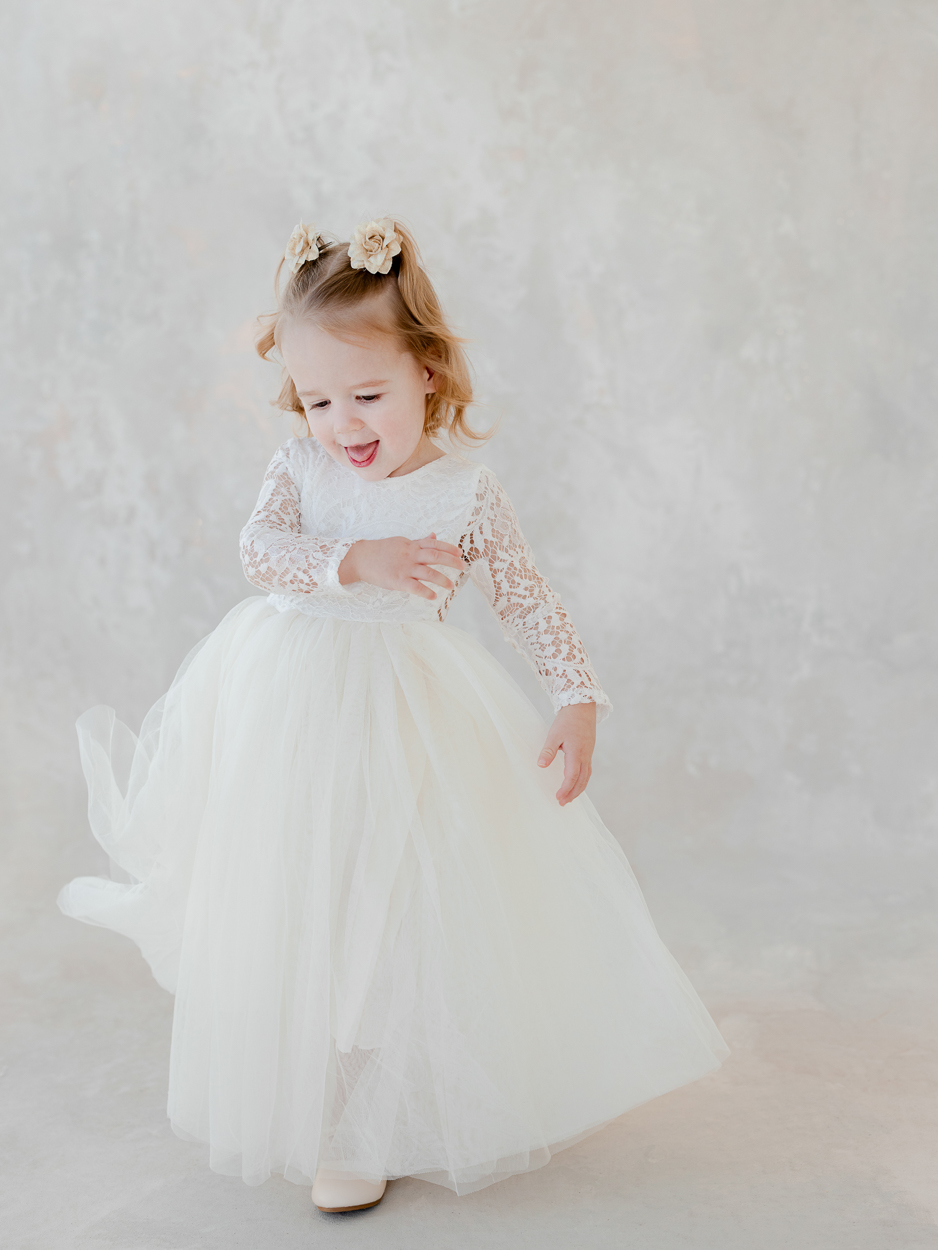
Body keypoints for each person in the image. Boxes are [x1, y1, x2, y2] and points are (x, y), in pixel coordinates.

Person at [58, 217, 728, 1215]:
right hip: (290, 708)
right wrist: (349, 560)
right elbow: (259, 550)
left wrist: (577, 696)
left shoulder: (465, 492)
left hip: (408, 717)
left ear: (424, 370)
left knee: (393, 893)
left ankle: (376, 1112)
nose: (343, 422)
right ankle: (316, 1089)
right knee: (302, 888)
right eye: (318, 398)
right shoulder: (300, 468)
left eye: (365, 394)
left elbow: (524, 597)